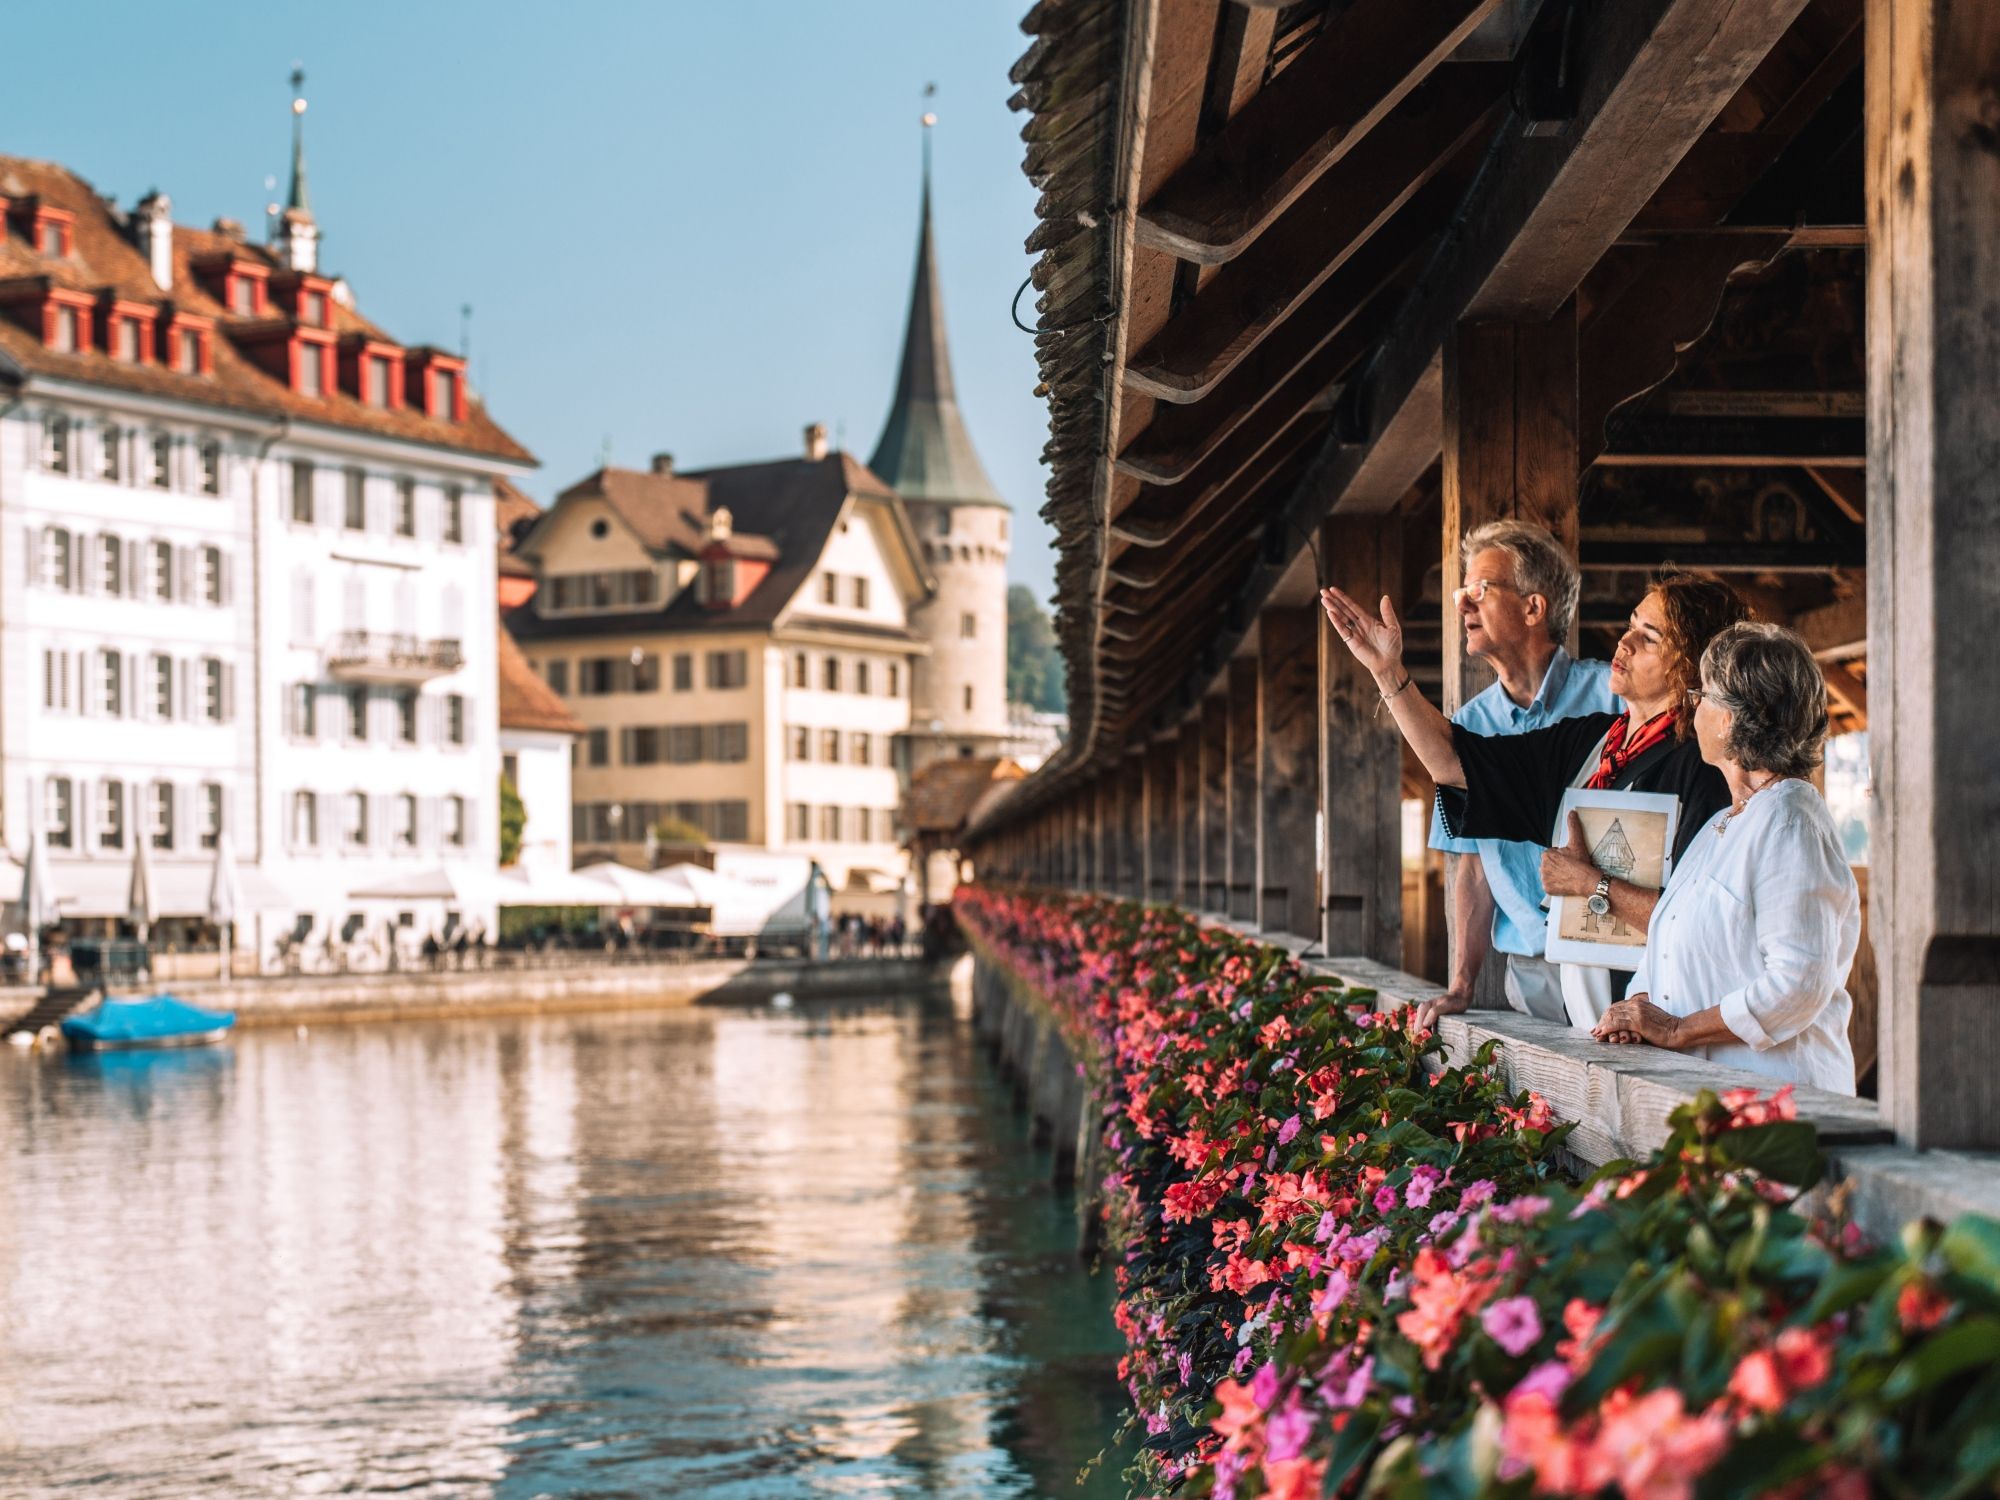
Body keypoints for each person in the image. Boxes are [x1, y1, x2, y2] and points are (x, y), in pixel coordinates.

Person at [1322, 570, 1749, 1030]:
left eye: (1648, 638)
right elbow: (1456, 764)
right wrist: (1389, 673)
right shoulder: (1589, 744)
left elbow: (1705, 927)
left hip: (1672, 1024)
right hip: (1589, 1019)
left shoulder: (1707, 772)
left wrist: (1591, 884)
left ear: (1690, 665)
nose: (1623, 642)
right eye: (1630, 624)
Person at [1591, 623, 1858, 1092]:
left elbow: (1798, 984)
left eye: (1703, 694)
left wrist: (1677, 1030)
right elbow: (1667, 953)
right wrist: (1634, 1013)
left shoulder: (1790, 820)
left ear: (1729, 720)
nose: (1694, 704)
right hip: (1712, 1098)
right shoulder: (1724, 824)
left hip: (1779, 1102)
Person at [1410, 521, 1620, 1024]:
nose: (1462, 604)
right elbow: (1474, 867)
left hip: (1624, 957)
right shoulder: (1467, 728)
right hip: (1533, 966)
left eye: (1479, 590)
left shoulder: (1612, 697)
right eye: (1463, 591)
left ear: (1533, 607)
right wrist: (1461, 984)